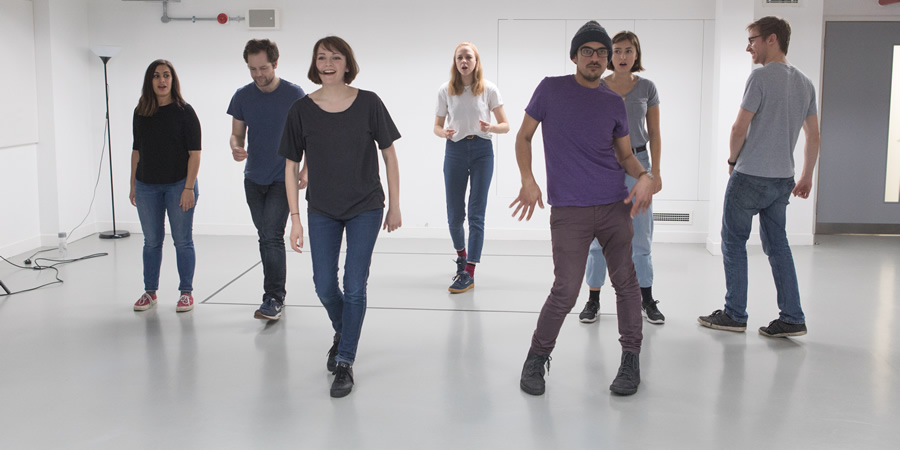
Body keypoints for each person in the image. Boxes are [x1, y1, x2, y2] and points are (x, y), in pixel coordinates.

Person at [510, 21, 654, 397]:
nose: (595, 57)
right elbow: (523, 136)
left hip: (613, 206)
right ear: (574, 56)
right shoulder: (551, 89)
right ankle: (536, 359)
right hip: (569, 210)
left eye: (602, 52)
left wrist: (645, 176)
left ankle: (630, 360)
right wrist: (527, 178)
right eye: (587, 51)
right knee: (566, 289)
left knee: (626, 284)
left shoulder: (613, 102)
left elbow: (625, 154)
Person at [279, 36, 402, 398]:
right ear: (314, 64)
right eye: (321, 57)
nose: (328, 63)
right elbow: (291, 166)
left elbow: (390, 156)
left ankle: (345, 359)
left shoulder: (369, 103)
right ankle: (344, 329)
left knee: (354, 283)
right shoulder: (301, 109)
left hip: (365, 205)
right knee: (323, 283)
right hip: (322, 208)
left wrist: (395, 204)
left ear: (347, 63)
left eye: (335, 57)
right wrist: (295, 218)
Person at [698, 16, 820, 338]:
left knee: (734, 242)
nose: (747, 46)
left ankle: (735, 314)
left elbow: (739, 128)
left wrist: (731, 160)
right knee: (778, 245)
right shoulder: (806, 83)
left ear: (772, 39)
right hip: (783, 179)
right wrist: (806, 175)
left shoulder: (761, 78)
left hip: (750, 175)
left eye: (752, 39)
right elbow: (814, 135)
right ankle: (793, 317)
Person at [579, 31, 665, 325]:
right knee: (597, 235)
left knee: (640, 234)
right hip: (604, 165)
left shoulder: (647, 88)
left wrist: (655, 173)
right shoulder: (596, 86)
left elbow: (654, 133)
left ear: (636, 55)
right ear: (609, 56)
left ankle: (647, 299)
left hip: (638, 164)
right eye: (617, 51)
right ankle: (592, 299)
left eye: (629, 51)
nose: (623, 57)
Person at [227, 39, 306, 321]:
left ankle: (273, 297)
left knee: (271, 235)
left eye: (263, 68)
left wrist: (307, 167)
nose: (258, 74)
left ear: (275, 62)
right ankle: (275, 293)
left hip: (282, 178)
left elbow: (309, 133)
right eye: (252, 69)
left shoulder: (294, 94)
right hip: (253, 178)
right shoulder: (242, 96)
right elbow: (237, 133)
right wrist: (236, 147)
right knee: (266, 236)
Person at [433, 42, 509, 293]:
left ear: (476, 61)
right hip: (454, 151)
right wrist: (443, 132)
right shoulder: (446, 90)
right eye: (459, 58)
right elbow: (436, 126)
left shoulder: (488, 89)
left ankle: (470, 272)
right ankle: (461, 256)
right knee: (455, 216)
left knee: (476, 214)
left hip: (481, 152)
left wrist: (490, 128)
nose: (464, 61)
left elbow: (505, 125)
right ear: (455, 62)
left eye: (469, 57)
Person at [130, 59, 201, 313]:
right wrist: (132, 185)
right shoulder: (141, 111)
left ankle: (186, 293)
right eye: (157, 76)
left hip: (179, 185)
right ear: (150, 81)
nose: (162, 80)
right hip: (146, 186)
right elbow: (136, 151)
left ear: (173, 80)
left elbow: (195, 153)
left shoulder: (185, 111)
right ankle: (150, 292)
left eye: (167, 75)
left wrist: (188, 188)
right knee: (151, 241)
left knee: (182, 241)